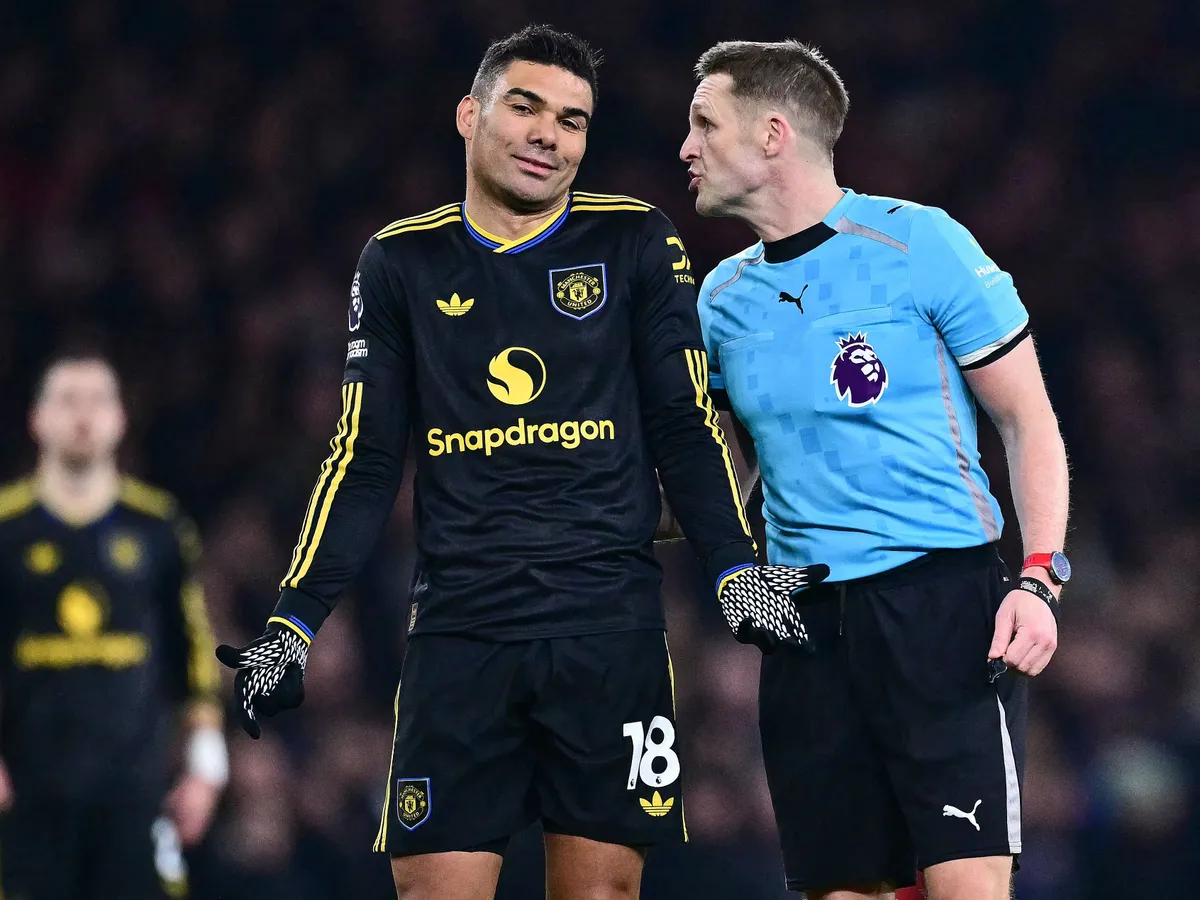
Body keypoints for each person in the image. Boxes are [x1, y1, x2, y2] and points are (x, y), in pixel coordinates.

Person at [214, 24, 827, 900]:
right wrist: (293, 623)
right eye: (526, 106)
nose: (550, 133)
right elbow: (365, 459)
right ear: (469, 115)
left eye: (574, 121)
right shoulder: (400, 262)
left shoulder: (637, 244)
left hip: (606, 634)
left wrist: (735, 569)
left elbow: (687, 425)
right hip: (461, 636)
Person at [678, 40, 1070, 900]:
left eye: (705, 123)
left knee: (967, 887)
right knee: (840, 889)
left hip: (940, 607)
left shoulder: (919, 243)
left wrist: (1039, 578)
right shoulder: (718, 299)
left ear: (773, 134)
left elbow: (1026, 418)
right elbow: (731, 472)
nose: (687, 148)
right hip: (806, 628)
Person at [0, 351, 227, 899]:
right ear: (37, 419)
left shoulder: (158, 527)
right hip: (29, 789)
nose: (83, 415)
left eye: (98, 400)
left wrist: (205, 763)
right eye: (67, 400)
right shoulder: (6, 528)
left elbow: (191, 649)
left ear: (121, 419)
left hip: (134, 787)